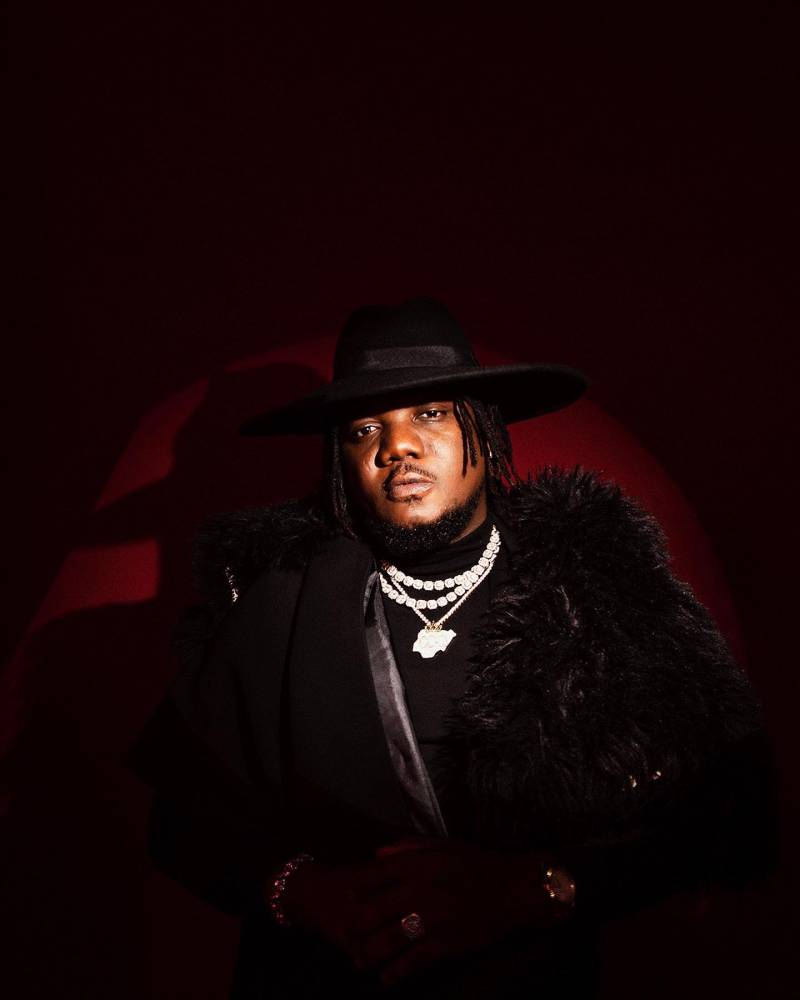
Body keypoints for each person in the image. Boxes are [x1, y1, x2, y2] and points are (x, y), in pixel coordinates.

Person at [127, 297, 772, 998]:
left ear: (485, 431)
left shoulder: (593, 591)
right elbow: (182, 824)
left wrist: (537, 887)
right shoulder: (278, 603)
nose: (396, 446)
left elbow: (721, 817)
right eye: (365, 429)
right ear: (342, 459)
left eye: (430, 413)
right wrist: (307, 892)